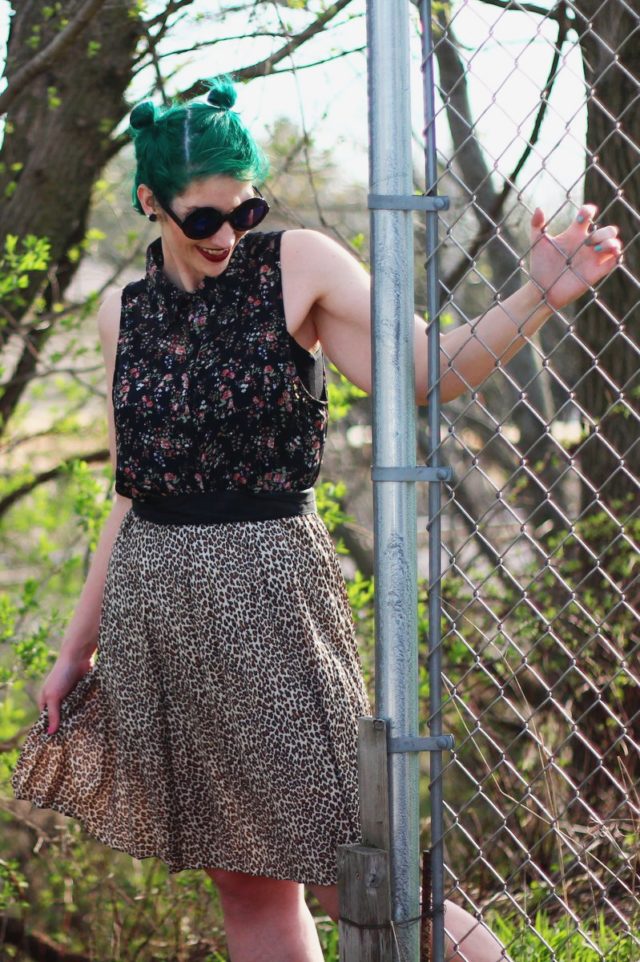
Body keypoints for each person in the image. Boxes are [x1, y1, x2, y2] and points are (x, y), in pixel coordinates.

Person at [11, 74, 622, 962]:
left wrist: (534, 298)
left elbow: (423, 372)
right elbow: (127, 489)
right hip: (159, 610)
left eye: (244, 211)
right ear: (150, 203)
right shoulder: (123, 313)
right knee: (246, 878)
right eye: (203, 219)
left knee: (354, 866)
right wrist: (77, 650)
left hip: (270, 596)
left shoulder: (295, 263)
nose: (229, 235)